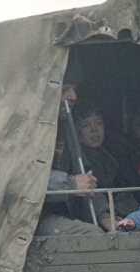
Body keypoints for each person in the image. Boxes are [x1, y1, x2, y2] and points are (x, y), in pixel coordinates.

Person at [36, 61, 111, 235]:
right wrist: (71, 183)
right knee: (93, 236)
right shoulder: (25, 129)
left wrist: (105, 216)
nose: (73, 96)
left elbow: (86, 176)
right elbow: (22, 180)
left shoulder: (66, 127)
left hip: (62, 214)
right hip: (29, 218)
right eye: (65, 89)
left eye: (74, 89)